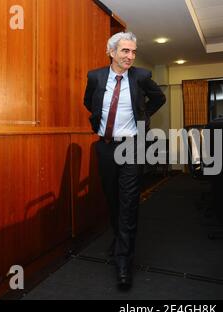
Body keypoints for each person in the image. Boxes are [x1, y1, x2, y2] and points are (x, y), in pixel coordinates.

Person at [83, 32, 166, 289]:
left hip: (131, 147)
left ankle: (123, 263)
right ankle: (120, 239)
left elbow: (159, 98)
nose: (130, 56)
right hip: (105, 148)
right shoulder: (95, 77)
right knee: (112, 199)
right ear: (111, 52)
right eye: (125, 51)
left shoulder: (141, 77)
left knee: (129, 203)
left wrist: (142, 115)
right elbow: (88, 102)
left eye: (133, 52)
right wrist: (100, 119)